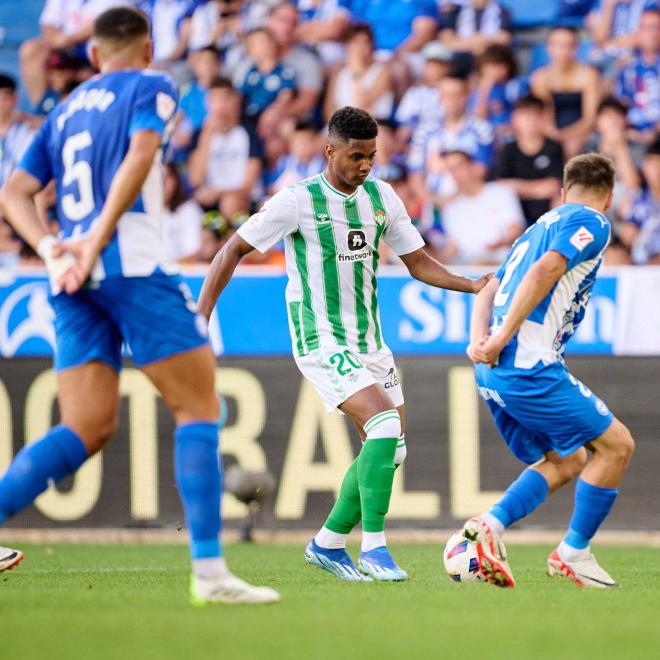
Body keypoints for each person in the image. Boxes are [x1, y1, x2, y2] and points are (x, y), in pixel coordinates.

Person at [0, 6, 278, 605]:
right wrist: (98, 240)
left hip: (71, 280)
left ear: (94, 56)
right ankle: (211, 575)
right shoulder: (153, 85)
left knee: (86, 426)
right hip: (131, 267)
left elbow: (14, 193)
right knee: (199, 406)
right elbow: (140, 154)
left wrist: (51, 247)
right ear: (148, 50)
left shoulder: (65, 108)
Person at [197, 106, 491, 583]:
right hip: (320, 336)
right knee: (382, 423)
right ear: (329, 150)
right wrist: (201, 316)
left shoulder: (382, 197)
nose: (365, 166)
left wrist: (471, 285)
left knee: (390, 448)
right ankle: (374, 548)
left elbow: (417, 263)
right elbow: (232, 249)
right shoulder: (297, 201)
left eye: (372, 156)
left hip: (369, 341)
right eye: (356, 156)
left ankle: (328, 543)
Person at [463, 153, 635, 589]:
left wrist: (477, 340)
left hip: (493, 372)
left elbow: (487, 287)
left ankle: (489, 525)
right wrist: (501, 339)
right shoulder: (594, 222)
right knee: (616, 446)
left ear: (562, 189)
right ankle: (573, 554)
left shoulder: (536, 228)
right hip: (526, 363)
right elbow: (547, 270)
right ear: (608, 197)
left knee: (568, 458)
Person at [189, 77, 263, 222]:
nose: (219, 107)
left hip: (241, 199)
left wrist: (218, 192)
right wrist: (207, 136)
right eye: (214, 100)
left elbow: (249, 183)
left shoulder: (248, 131)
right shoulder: (200, 134)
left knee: (229, 202)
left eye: (224, 100)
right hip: (210, 201)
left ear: (236, 101)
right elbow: (195, 179)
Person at [440, 150, 525, 265]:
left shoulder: (501, 192)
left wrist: (500, 243)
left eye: (459, 166)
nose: (456, 174)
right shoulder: (450, 209)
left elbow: (516, 230)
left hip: (504, 262)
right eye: (451, 170)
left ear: (474, 166)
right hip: (467, 268)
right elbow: (451, 248)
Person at [531, 26, 602, 158]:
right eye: (557, 45)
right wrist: (554, 134)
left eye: (568, 45)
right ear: (549, 48)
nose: (562, 50)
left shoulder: (589, 75)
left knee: (571, 148)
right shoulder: (541, 77)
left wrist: (567, 136)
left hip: (583, 130)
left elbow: (590, 118)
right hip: (553, 130)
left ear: (576, 49)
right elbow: (544, 115)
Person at [494, 95, 564, 227]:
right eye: (526, 116)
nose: (530, 122)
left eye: (535, 116)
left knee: (562, 203)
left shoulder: (553, 147)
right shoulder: (508, 150)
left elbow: (553, 186)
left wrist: (519, 188)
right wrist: (537, 190)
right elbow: (502, 186)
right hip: (514, 210)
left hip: (546, 211)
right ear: (515, 119)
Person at [325, 23, 394, 122]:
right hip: (341, 127)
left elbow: (363, 102)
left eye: (365, 42)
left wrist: (356, 71)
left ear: (371, 45)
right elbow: (328, 109)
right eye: (356, 42)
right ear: (347, 46)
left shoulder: (382, 72)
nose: (361, 47)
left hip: (372, 125)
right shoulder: (338, 74)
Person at [614, 7, 660, 151]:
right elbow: (621, 103)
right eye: (645, 27)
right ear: (638, 31)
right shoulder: (627, 66)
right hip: (632, 132)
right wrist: (627, 129)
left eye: (656, 27)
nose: (651, 33)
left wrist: (654, 132)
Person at [237, 27, 296, 135]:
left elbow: (285, 96)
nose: (265, 45)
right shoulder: (251, 72)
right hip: (249, 116)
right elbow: (241, 95)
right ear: (250, 51)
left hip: (272, 116)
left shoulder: (284, 71)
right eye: (258, 43)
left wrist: (273, 112)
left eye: (267, 40)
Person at [394, 40, 453, 142]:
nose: (434, 69)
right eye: (430, 64)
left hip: (447, 140)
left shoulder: (455, 90)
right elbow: (405, 125)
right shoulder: (415, 93)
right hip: (417, 142)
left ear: (448, 67)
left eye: (439, 65)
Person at [620, 140, 660, 264]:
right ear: (644, 167)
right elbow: (627, 235)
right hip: (641, 268)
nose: (657, 171)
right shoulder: (637, 199)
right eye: (653, 165)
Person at [266, 118, 324, 194]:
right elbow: (271, 187)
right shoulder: (284, 162)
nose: (302, 147)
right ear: (290, 146)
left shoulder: (321, 165)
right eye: (298, 143)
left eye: (305, 143)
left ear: (315, 143)